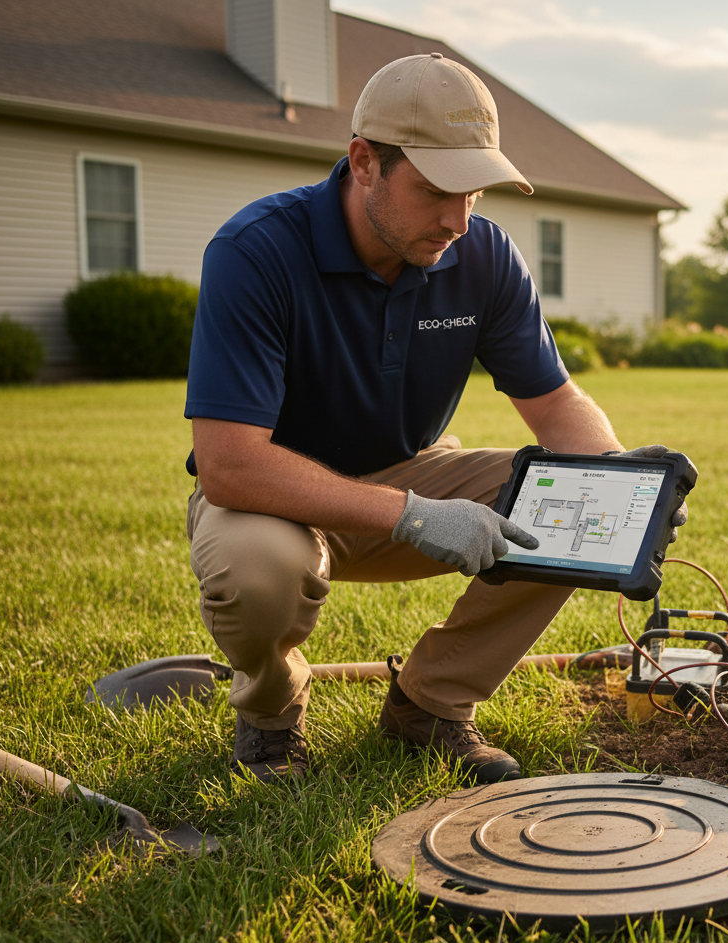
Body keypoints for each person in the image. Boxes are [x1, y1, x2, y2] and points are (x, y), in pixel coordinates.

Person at [184, 53, 685, 786]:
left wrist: (617, 480)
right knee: (260, 572)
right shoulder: (255, 252)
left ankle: (430, 703)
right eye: (435, 191)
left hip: (410, 471)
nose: (458, 219)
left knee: (572, 501)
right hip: (271, 500)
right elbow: (230, 467)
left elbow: (554, 403)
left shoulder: (482, 254)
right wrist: (413, 515)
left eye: (473, 192)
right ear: (365, 162)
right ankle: (271, 715)